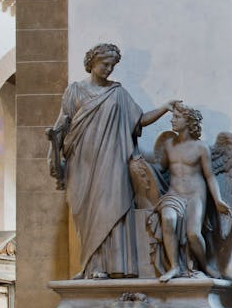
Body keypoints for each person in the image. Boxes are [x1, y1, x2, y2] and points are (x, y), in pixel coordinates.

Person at [47, 43, 178, 279]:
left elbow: (141, 120)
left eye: (112, 66)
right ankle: (91, 265)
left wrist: (164, 108)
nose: (108, 69)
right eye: (104, 64)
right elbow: (60, 126)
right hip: (82, 162)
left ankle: (116, 266)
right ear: (92, 63)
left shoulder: (118, 93)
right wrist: (52, 154)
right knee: (87, 213)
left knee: (113, 208)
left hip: (113, 161)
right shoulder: (74, 91)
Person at [130, 102, 231, 281]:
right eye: (173, 117)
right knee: (168, 219)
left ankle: (205, 265)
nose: (173, 120)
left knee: (193, 234)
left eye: (177, 117)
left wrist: (218, 200)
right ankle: (175, 266)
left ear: (189, 121)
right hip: (174, 193)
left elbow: (209, 177)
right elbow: (160, 169)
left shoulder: (201, 148)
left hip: (195, 195)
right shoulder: (169, 145)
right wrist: (138, 160)